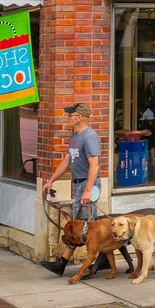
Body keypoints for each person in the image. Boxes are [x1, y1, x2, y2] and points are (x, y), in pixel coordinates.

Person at [40, 102, 101, 276]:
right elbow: (67, 161)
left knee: (82, 227)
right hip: (79, 184)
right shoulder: (75, 136)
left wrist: (88, 190)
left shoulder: (89, 137)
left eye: (70, 115)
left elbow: (94, 165)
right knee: (84, 225)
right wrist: (50, 180)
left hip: (87, 185)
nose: (67, 118)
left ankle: (62, 264)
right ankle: (100, 260)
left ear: (79, 117)